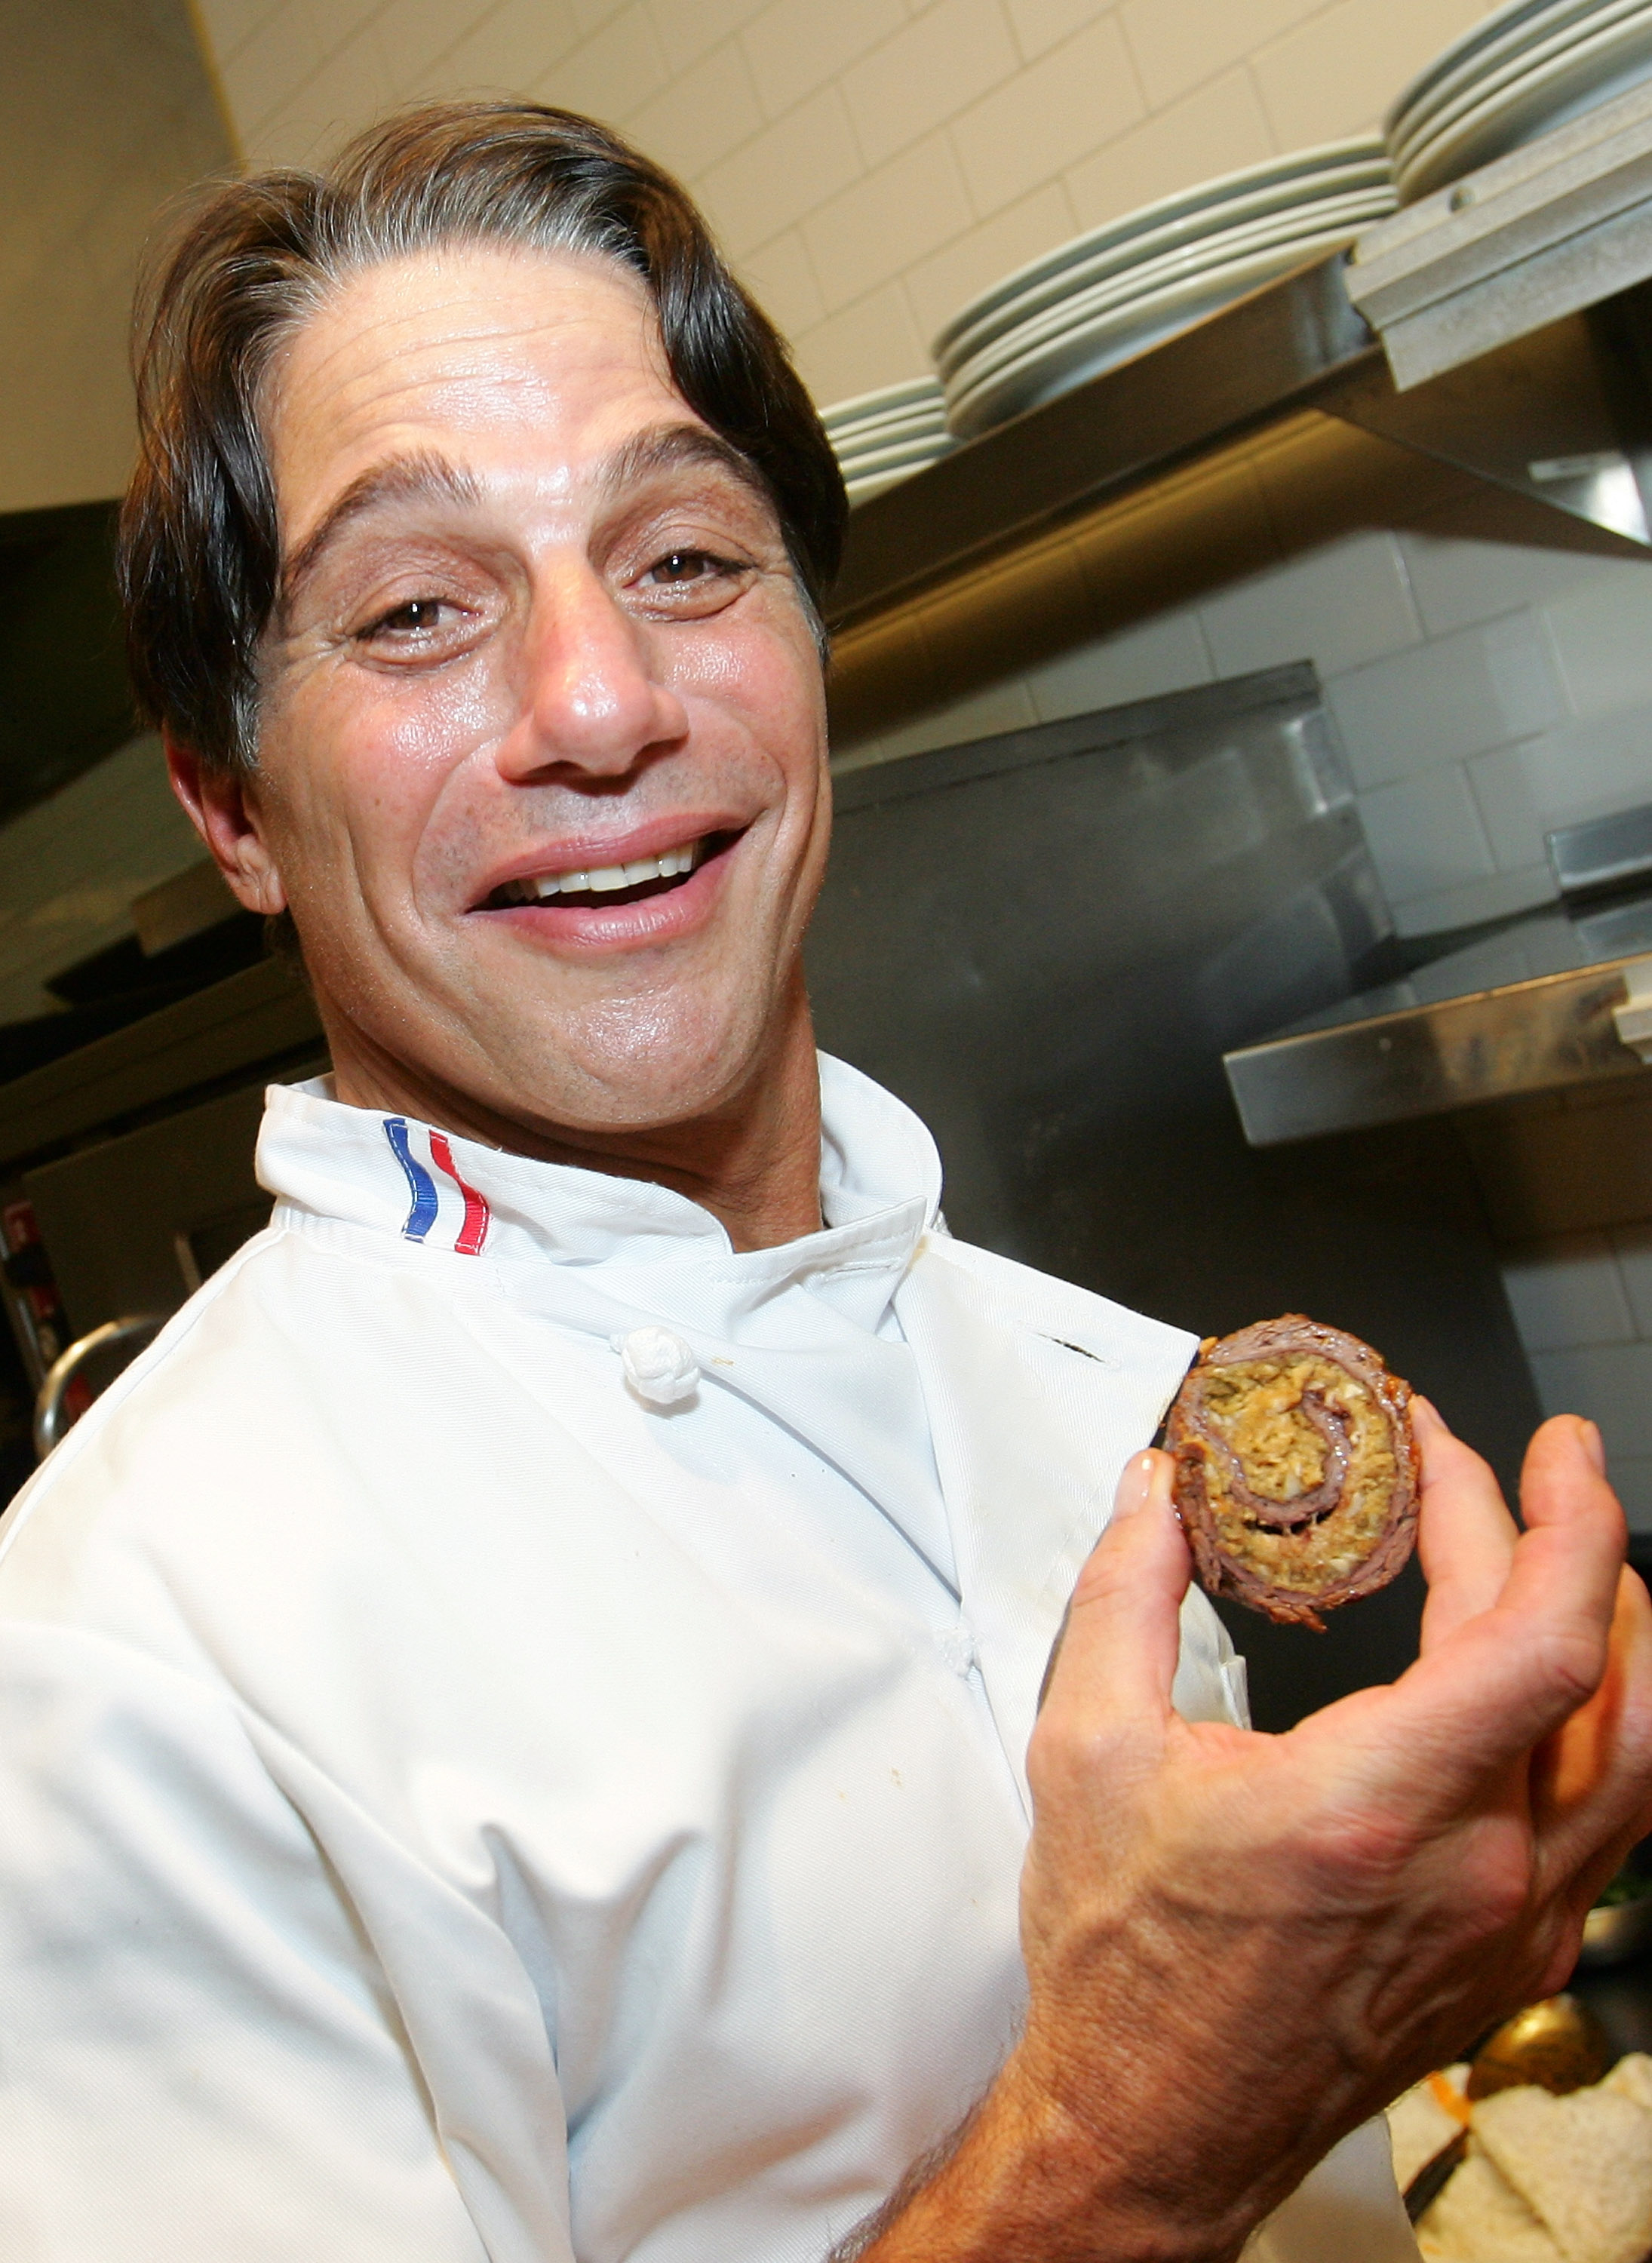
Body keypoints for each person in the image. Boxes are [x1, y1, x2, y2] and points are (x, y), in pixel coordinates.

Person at [0, 100, 1646, 2263]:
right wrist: (1140, 2126)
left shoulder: (1051, 1352)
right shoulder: (131, 1667)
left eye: (685, 559)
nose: (598, 702)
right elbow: (1177, 2105)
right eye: (413, 611)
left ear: (802, 648)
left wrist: (1444, 1914)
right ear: (230, 808)